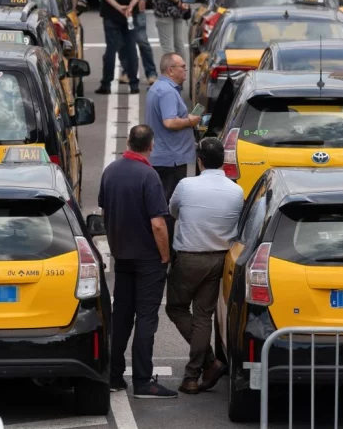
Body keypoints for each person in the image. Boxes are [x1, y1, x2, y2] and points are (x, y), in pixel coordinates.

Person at [98, 125, 176, 399]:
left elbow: (105, 212)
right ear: (151, 145)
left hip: (123, 257)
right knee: (146, 318)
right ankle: (143, 381)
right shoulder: (149, 176)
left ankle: (114, 375)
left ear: (129, 141)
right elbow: (158, 224)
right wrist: (165, 256)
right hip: (148, 260)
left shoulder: (110, 171)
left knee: (121, 316)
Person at [166, 137, 243, 394]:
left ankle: (208, 363)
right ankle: (193, 374)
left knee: (176, 308)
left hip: (188, 257)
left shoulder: (187, 185)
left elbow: (174, 211)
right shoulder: (236, 191)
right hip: (219, 259)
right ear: (224, 161)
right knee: (203, 316)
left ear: (199, 161)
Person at [146, 53, 199, 203]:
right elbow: (169, 122)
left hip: (163, 156)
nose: (185, 70)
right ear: (170, 70)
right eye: (182, 67)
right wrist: (190, 121)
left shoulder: (158, 87)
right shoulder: (167, 92)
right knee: (168, 205)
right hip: (171, 160)